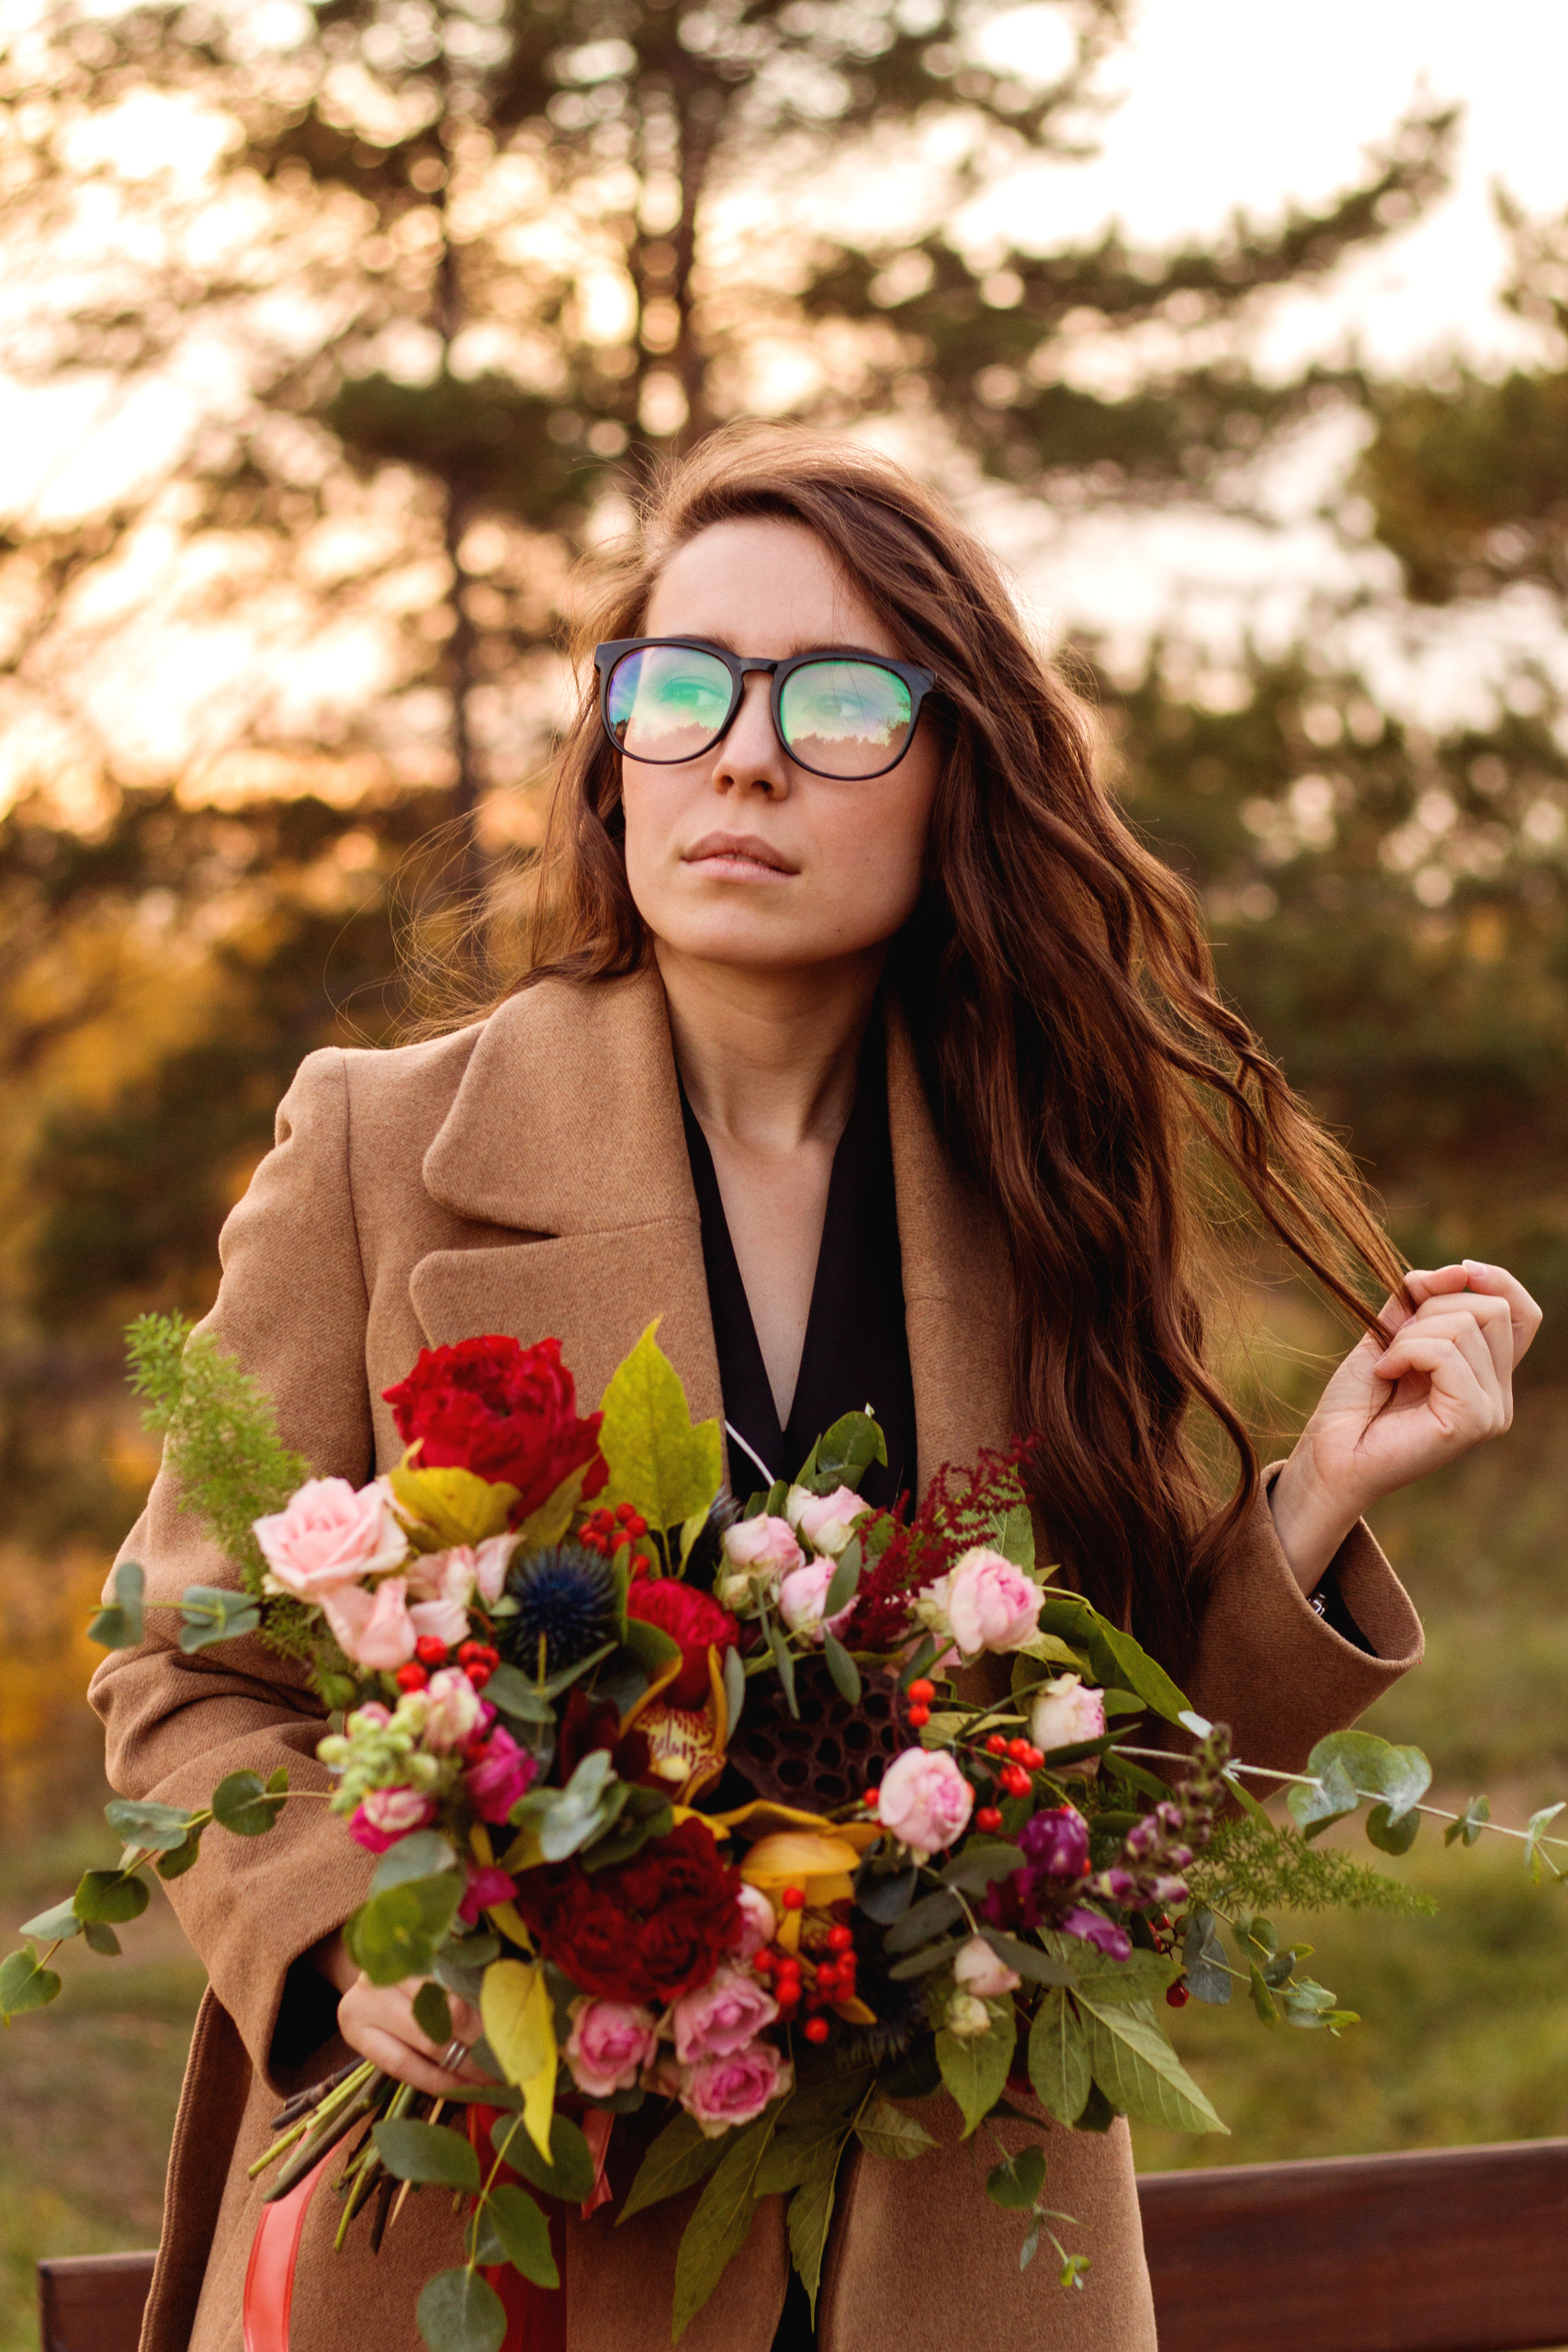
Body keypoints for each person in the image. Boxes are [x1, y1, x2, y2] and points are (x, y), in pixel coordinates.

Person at [93, 426, 1540, 2352]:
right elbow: (183, 1660)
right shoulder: (377, 1145)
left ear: (958, 773)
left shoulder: (1050, 1194)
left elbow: (1114, 1813)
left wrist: (1307, 1505)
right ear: (614, 758)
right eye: (679, 686)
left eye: (841, 698)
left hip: (938, 2238)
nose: (746, 749)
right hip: (488, 2223)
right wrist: (344, 1941)